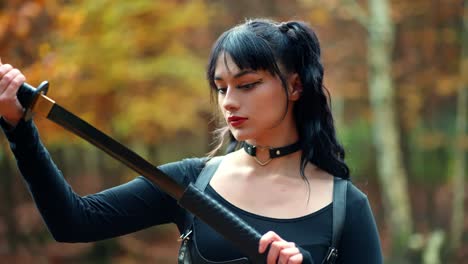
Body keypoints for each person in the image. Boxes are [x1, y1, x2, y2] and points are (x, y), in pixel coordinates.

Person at [0, 18, 383, 263]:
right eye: (221, 88)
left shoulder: (344, 207)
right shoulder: (189, 183)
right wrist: (19, 129)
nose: (229, 101)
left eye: (247, 85)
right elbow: (73, 222)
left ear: (295, 86)